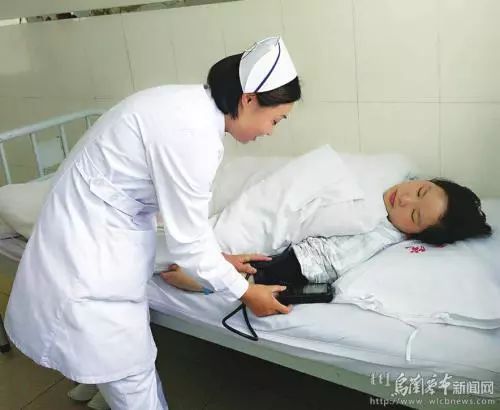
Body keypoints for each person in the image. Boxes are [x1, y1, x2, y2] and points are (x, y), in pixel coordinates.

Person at [4, 36, 301, 409]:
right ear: (249, 100)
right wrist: (245, 292)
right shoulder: (193, 134)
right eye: (275, 119)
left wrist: (220, 261)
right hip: (88, 260)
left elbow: (175, 226)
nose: (270, 131)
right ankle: (102, 385)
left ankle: (96, 384)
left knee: (117, 365)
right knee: (132, 375)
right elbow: (189, 243)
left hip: (98, 232)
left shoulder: (186, 105)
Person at [160, 178, 492, 291]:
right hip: (298, 239)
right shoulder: (392, 177)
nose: (404, 200)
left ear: (416, 235)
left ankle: (206, 281)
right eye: (420, 190)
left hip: (302, 262)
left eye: (415, 215)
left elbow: (332, 262)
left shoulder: (379, 235)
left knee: (258, 271)